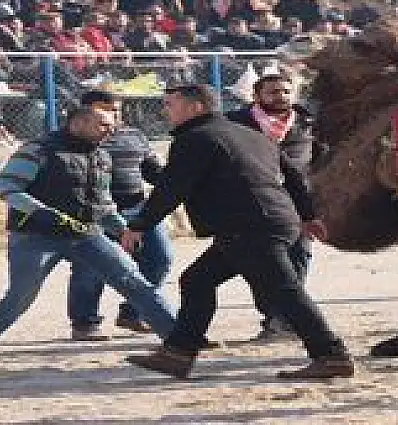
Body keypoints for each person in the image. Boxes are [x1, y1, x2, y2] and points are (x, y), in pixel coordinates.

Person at [122, 85, 354, 380]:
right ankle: (178, 353)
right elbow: (295, 177)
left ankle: (331, 354)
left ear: (195, 107)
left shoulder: (194, 138)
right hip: (270, 221)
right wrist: (307, 215)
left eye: (170, 104)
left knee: (284, 290)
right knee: (197, 281)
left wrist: (140, 224)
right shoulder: (252, 134)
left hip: (248, 226)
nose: (165, 110)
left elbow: (172, 188)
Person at [0, 107, 177, 361]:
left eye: (111, 125)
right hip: (35, 236)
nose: (111, 130)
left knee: (133, 281)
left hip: (87, 233)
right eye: (103, 125)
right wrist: (41, 212)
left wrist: (122, 230)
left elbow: (103, 204)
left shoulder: (102, 157)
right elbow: (4, 186)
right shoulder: (39, 150)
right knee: (21, 296)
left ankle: (179, 338)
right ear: (78, 124)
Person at [66, 91, 172, 340]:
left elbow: (152, 171)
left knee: (160, 259)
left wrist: (177, 180)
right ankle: (85, 323)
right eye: (106, 109)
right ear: (85, 113)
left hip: (138, 210)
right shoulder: (75, 139)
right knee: (90, 267)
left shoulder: (134, 136)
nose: (114, 114)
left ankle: (133, 314)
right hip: (94, 213)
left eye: (116, 109)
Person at [225, 74, 321, 342]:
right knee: (263, 263)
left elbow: (320, 155)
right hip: (254, 203)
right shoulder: (237, 123)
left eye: (286, 92)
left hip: (297, 202)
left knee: (299, 256)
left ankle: (285, 318)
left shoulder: (306, 123)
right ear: (257, 96)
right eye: (273, 92)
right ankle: (273, 315)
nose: (281, 97)